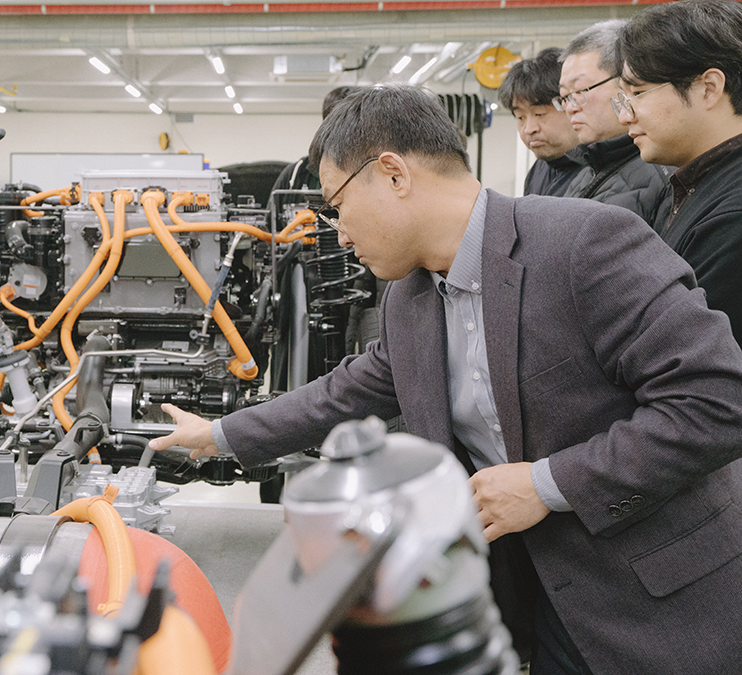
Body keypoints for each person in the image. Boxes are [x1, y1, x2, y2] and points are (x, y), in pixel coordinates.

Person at [151, 85, 742, 675]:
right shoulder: (408, 299)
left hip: (655, 601)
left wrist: (547, 482)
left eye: (337, 207)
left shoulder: (586, 243)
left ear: (392, 174)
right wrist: (218, 435)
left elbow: (717, 399)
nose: (337, 231)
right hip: (532, 603)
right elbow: (349, 388)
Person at [616, 0, 742, 350]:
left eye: (638, 93)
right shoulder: (691, 184)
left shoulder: (732, 216)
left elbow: (684, 351)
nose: (625, 115)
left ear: (709, 88)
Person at [555, 21, 669, 221]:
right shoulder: (588, 169)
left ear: (628, 81)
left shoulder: (663, 172)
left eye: (580, 91)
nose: (570, 107)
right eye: (565, 96)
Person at [497, 48, 582, 196]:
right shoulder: (538, 172)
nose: (529, 129)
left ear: (570, 104)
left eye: (539, 114)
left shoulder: (598, 172)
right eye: (520, 117)